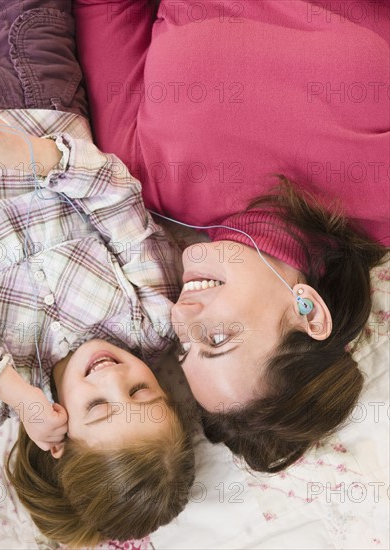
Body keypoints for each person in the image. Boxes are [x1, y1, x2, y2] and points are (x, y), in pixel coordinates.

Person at [0, 1, 195, 545]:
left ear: (58, 438)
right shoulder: (155, 320)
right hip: (38, 101)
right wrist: (30, 156)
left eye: (100, 408)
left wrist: (16, 393)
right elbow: (116, 197)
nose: (114, 377)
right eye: (141, 391)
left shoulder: (5, 380)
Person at [72, 0, 390, 471]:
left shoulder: (139, 179)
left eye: (186, 347)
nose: (182, 315)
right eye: (217, 338)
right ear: (309, 312)